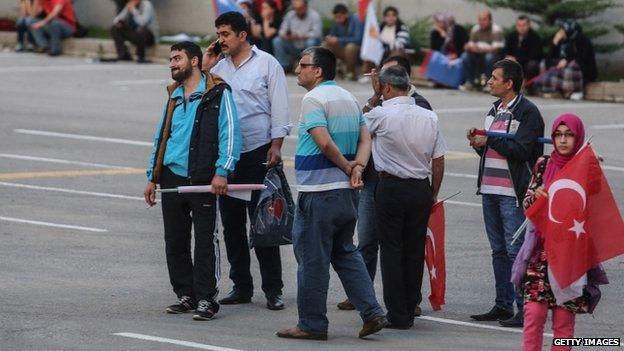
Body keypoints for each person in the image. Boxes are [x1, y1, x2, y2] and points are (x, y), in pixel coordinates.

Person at [276, 46, 387, 341]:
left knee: (312, 258)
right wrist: (358, 168)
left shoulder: (314, 99)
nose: (297, 70)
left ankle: (312, 323)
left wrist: (346, 166)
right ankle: (372, 311)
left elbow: (323, 143)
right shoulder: (349, 97)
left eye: (303, 65)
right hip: (345, 195)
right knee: (345, 252)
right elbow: (366, 139)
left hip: (319, 192)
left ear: (318, 71)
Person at [143, 41, 242, 321]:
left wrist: (222, 170)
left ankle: (207, 298)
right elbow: (161, 137)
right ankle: (185, 294)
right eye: (171, 59)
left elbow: (230, 134)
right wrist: (152, 177)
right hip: (172, 177)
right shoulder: (174, 96)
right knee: (174, 239)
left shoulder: (218, 93)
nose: (172, 64)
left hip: (202, 177)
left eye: (177, 58)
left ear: (195, 61)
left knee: (204, 240)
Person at [337, 54, 434, 313]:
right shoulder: (380, 105)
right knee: (368, 241)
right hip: (375, 183)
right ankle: (362, 292)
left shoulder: (419, 105)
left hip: (395, 184)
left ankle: (405, 303)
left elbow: (360, 126)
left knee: (399, 247)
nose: (379, 80)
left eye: (385, 76)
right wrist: (375, 97)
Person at [211, 11, 291, 311]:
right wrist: (208, 60)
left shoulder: (267, 63)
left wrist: (277, 144)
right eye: (218, 35)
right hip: (228, 156)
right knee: (231, 223)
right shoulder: (218, 67)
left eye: (226, 35)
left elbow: (279, 105)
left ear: (242, 35)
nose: (221, 40)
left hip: (259, 153)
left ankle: (273, 290)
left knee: (263, 223)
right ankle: (241, 286)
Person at [512, 113, 608, 351]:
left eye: (569, 135)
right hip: (541, 254)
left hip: (570, 255)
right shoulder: (543, 164)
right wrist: (536, 196)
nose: (563, 140)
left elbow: (595, 194)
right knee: (533, 313)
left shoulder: (586, 166)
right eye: (558, 134)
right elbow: (527, 207)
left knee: (564, 323)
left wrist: (592, 163)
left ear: (579, 138)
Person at [364, 65, 446, 329]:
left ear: (386, 87)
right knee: (413, 250)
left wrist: (374, 97)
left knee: (391, 250)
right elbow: (438, 160)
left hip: (390, 187)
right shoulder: (428, 116)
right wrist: (432, 192)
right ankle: (411, 304)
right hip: (420, 188)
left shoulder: (380, 113)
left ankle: (398, 313)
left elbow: (361, 127)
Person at [467, 59, 545, 328]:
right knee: (498, 250)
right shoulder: (494, 110)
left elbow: (523, 151)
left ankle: (525, 308)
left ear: (509, 83)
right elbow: (494, 150)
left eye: (494, 77)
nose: (489, 81)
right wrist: (479, 144)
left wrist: (490, 140)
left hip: (512, 193)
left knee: (516, 252)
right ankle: (503, 305)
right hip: (489, 189)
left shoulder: (527, 112)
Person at [541, 20, 597, 100]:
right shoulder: (562, 41)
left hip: (583, 71)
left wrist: (567, 60)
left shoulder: (582, 39)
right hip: (564, 69)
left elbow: (582, 57)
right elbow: (550, 58)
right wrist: (554, 43)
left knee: (573, 65)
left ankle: (577, 91)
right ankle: (555, 90)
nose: (560, 32)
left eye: (563, 29)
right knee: (544, 64)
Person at [359, 6, 412, 83]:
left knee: (396, 52)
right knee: (370, 48)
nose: (391, 18)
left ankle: (391, 77)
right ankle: (370, 75)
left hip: (396, 53)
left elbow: (399, 45)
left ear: (396, 17)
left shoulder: (402, 28)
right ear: (384, 17)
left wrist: (380, 38)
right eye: (388, 15)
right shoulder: (380, 27)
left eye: (393, 15)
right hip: (382, 52)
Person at [460, 10, 504, 91]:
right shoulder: (475, 29)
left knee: (489, 57)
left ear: (490, 20)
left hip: (494, 56)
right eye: (480, 19)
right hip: (478, 55)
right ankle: (470, 82)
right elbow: (471, 45)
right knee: (465, 56)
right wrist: (468, 47)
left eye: (484, 19)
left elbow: (495, 49)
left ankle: (489, 83)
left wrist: (478, 49)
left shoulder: (496, 30)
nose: (481, 22)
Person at [272, 0, 322, 72]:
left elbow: (317, 33)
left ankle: (309, 66)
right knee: (277, 41)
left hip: (307, 44)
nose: (298, 11)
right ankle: (284, 66)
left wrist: (302, 36)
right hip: (293, 43)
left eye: (300, 8)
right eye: (295, 8)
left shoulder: (314, 15)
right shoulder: (290, 15)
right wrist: (286, 36)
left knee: (311, 42)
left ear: (306, 7)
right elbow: (281, 31)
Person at [322, 3, 363, 81]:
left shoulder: (356, 20)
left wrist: (338, 39)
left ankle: (350, 73)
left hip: (355, 50)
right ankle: (328, 72)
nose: (338, 19)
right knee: (325, 45)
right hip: (341, 48)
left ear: (346, 14)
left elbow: (358, 39)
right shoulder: (337, 21)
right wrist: (329, 38)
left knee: (350, 47)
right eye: (336, 17)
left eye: (340, 17)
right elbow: (333, 34)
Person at [503, 15, 542, 82]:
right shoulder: (512, 36)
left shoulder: (535, 38)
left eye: (524, 25)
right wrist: (507, 56)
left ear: (528, 25)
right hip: (513, 62)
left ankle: (529, 85)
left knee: (532, 65)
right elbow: (505, 50)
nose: (521, 28)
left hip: (527, 64)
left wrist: (517, 59)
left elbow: (534, 55)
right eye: (519, 25)